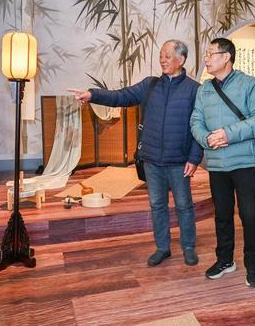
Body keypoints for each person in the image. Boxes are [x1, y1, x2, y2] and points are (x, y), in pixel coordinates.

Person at [68, 40, 203, 267]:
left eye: (167, 56)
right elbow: (121, 96)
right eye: (161, 55)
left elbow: (201, 126)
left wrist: (194, 158)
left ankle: (188, 246)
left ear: (181, 60)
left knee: (183, 205)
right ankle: (162, 247)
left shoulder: (194, 90)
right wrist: (92, 94)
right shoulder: (150, 85)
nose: (162, 60)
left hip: (179, 161)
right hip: (151, 159)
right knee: (157, 205)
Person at [190, 37, 255, 288]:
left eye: (211, 54)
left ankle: (253, 265)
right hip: (216, 163)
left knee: (250, 215)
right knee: (222, 215)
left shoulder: (249, 84)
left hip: (244, 161)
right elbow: (195, 120)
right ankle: (225, 260)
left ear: (226, 57)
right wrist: (206, 138)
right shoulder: (204, 89)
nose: (206, 59)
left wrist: (227, 134)